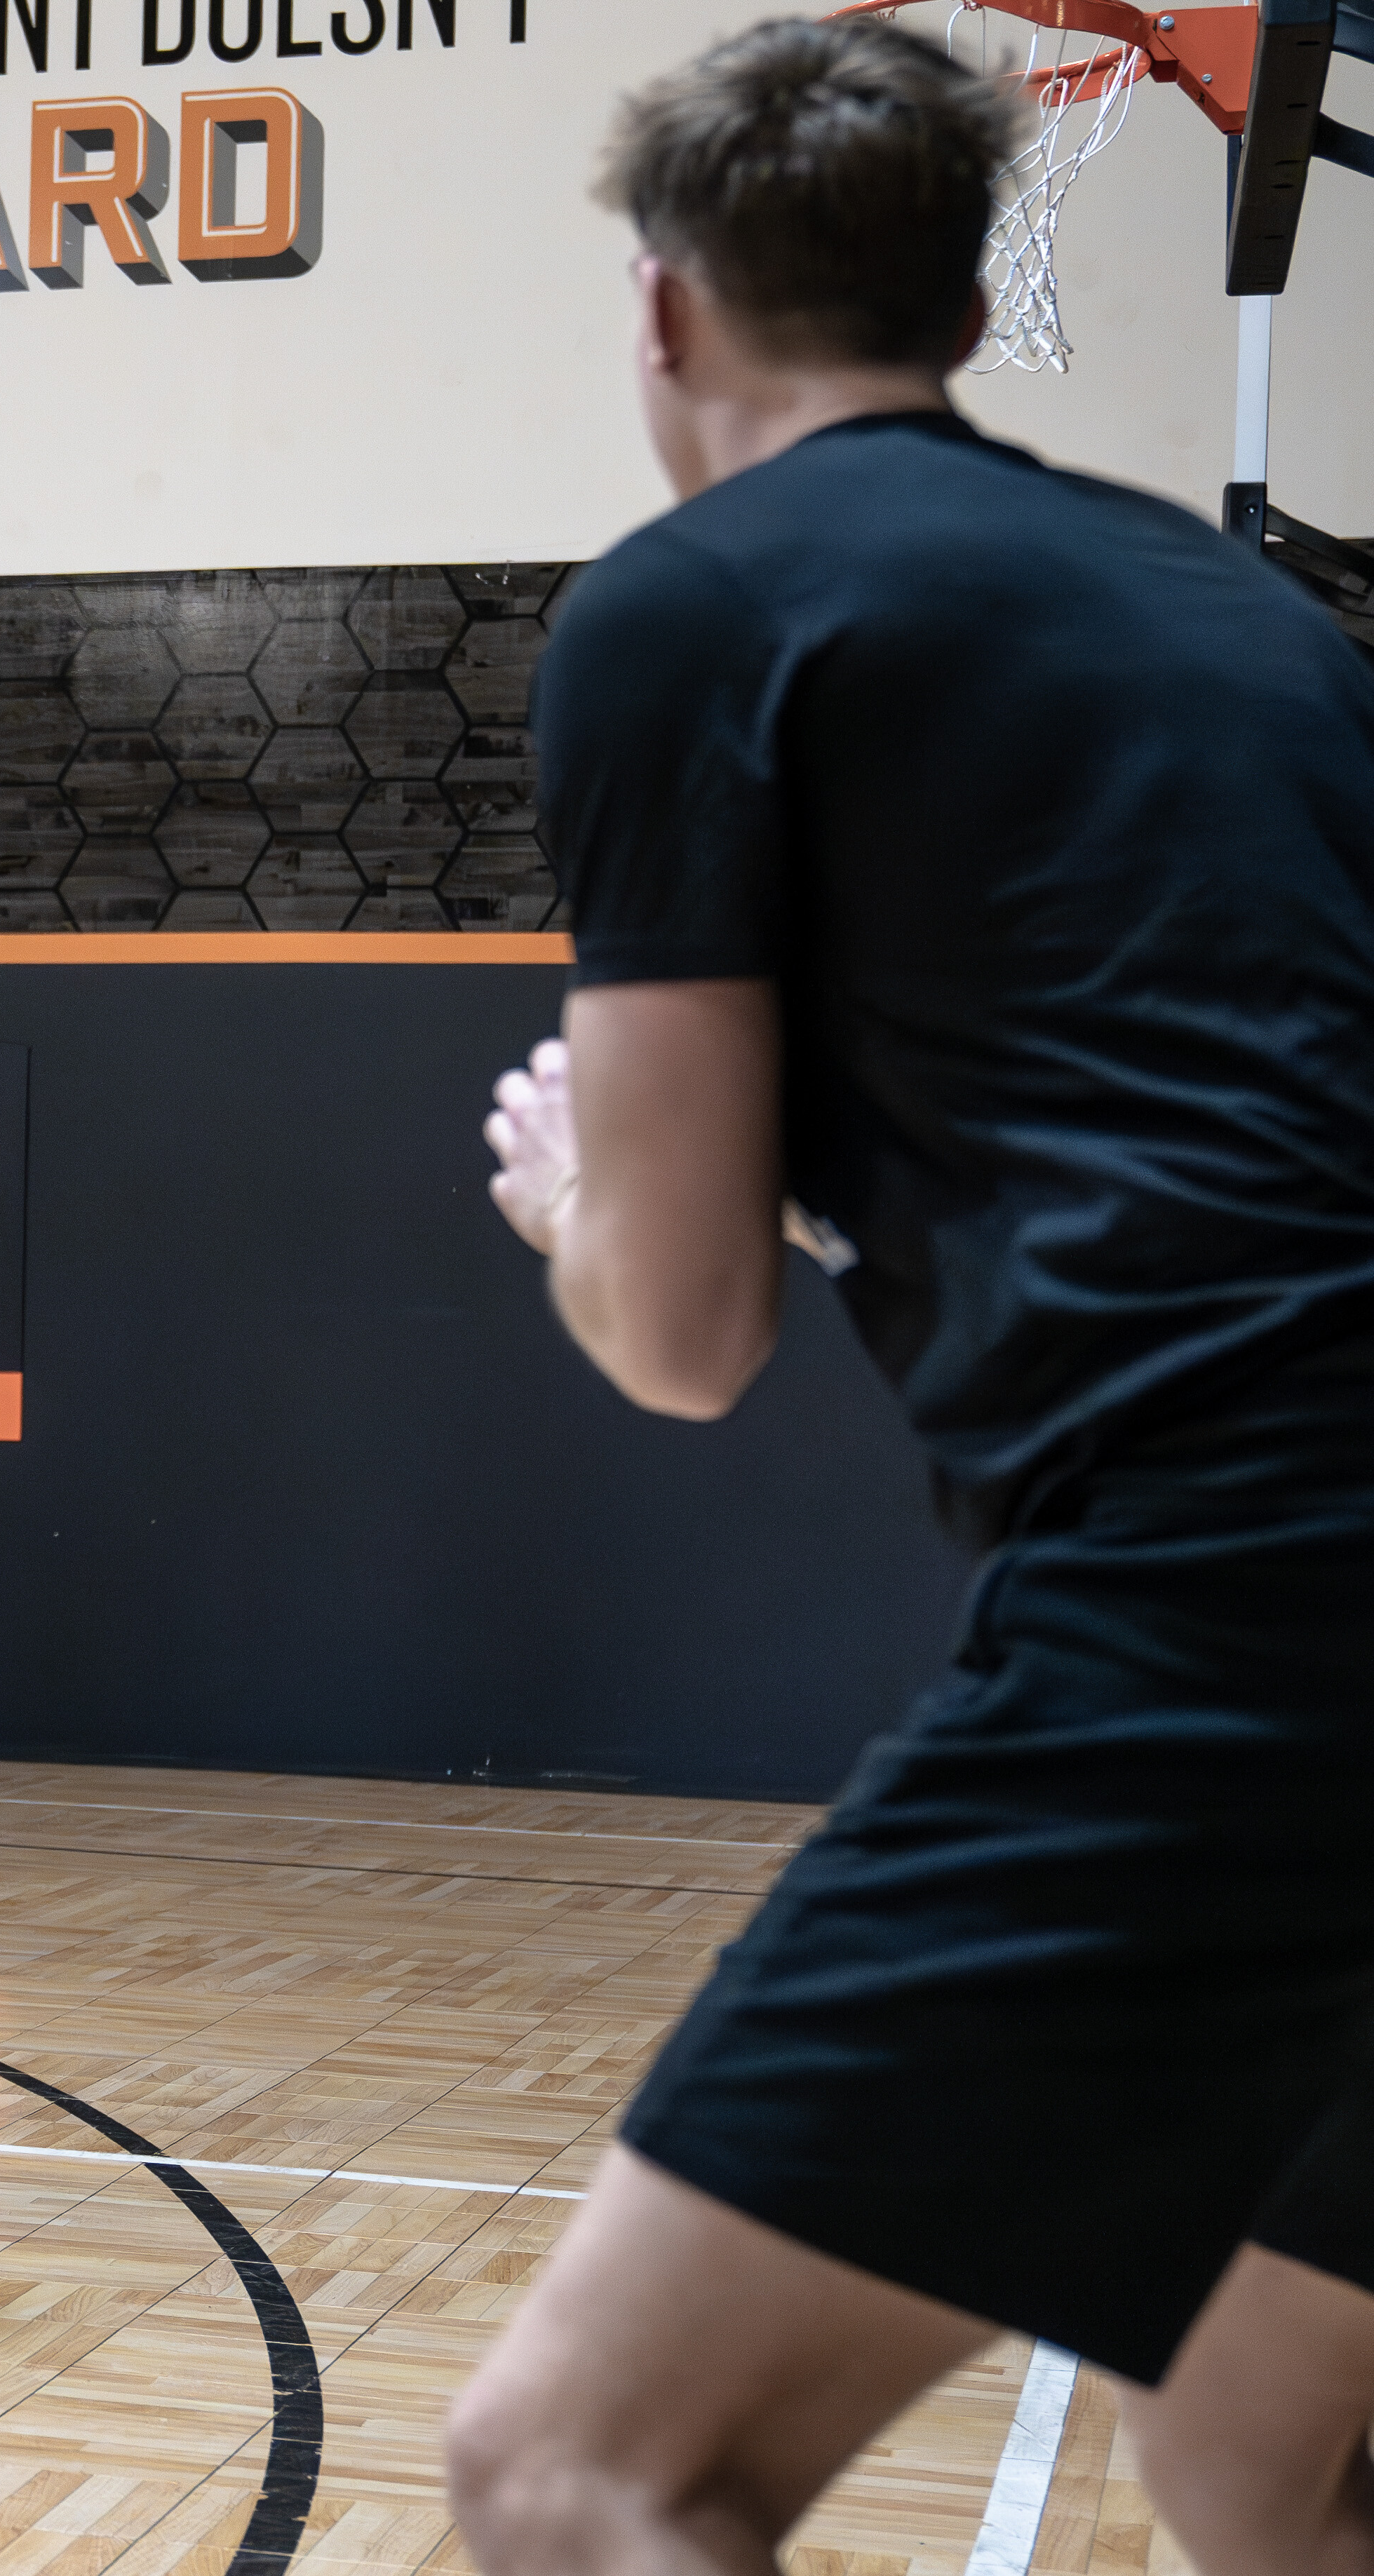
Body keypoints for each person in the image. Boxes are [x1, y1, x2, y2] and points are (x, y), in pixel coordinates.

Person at [445, 20, 1374, 2575]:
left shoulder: (690, 610)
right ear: (974, 304)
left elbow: (685, 1329)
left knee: (583, 2471)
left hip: (1246, 1605)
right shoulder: (1262, 623)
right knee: (1255, 2457)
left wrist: (573, 1217)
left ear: (660, 316)